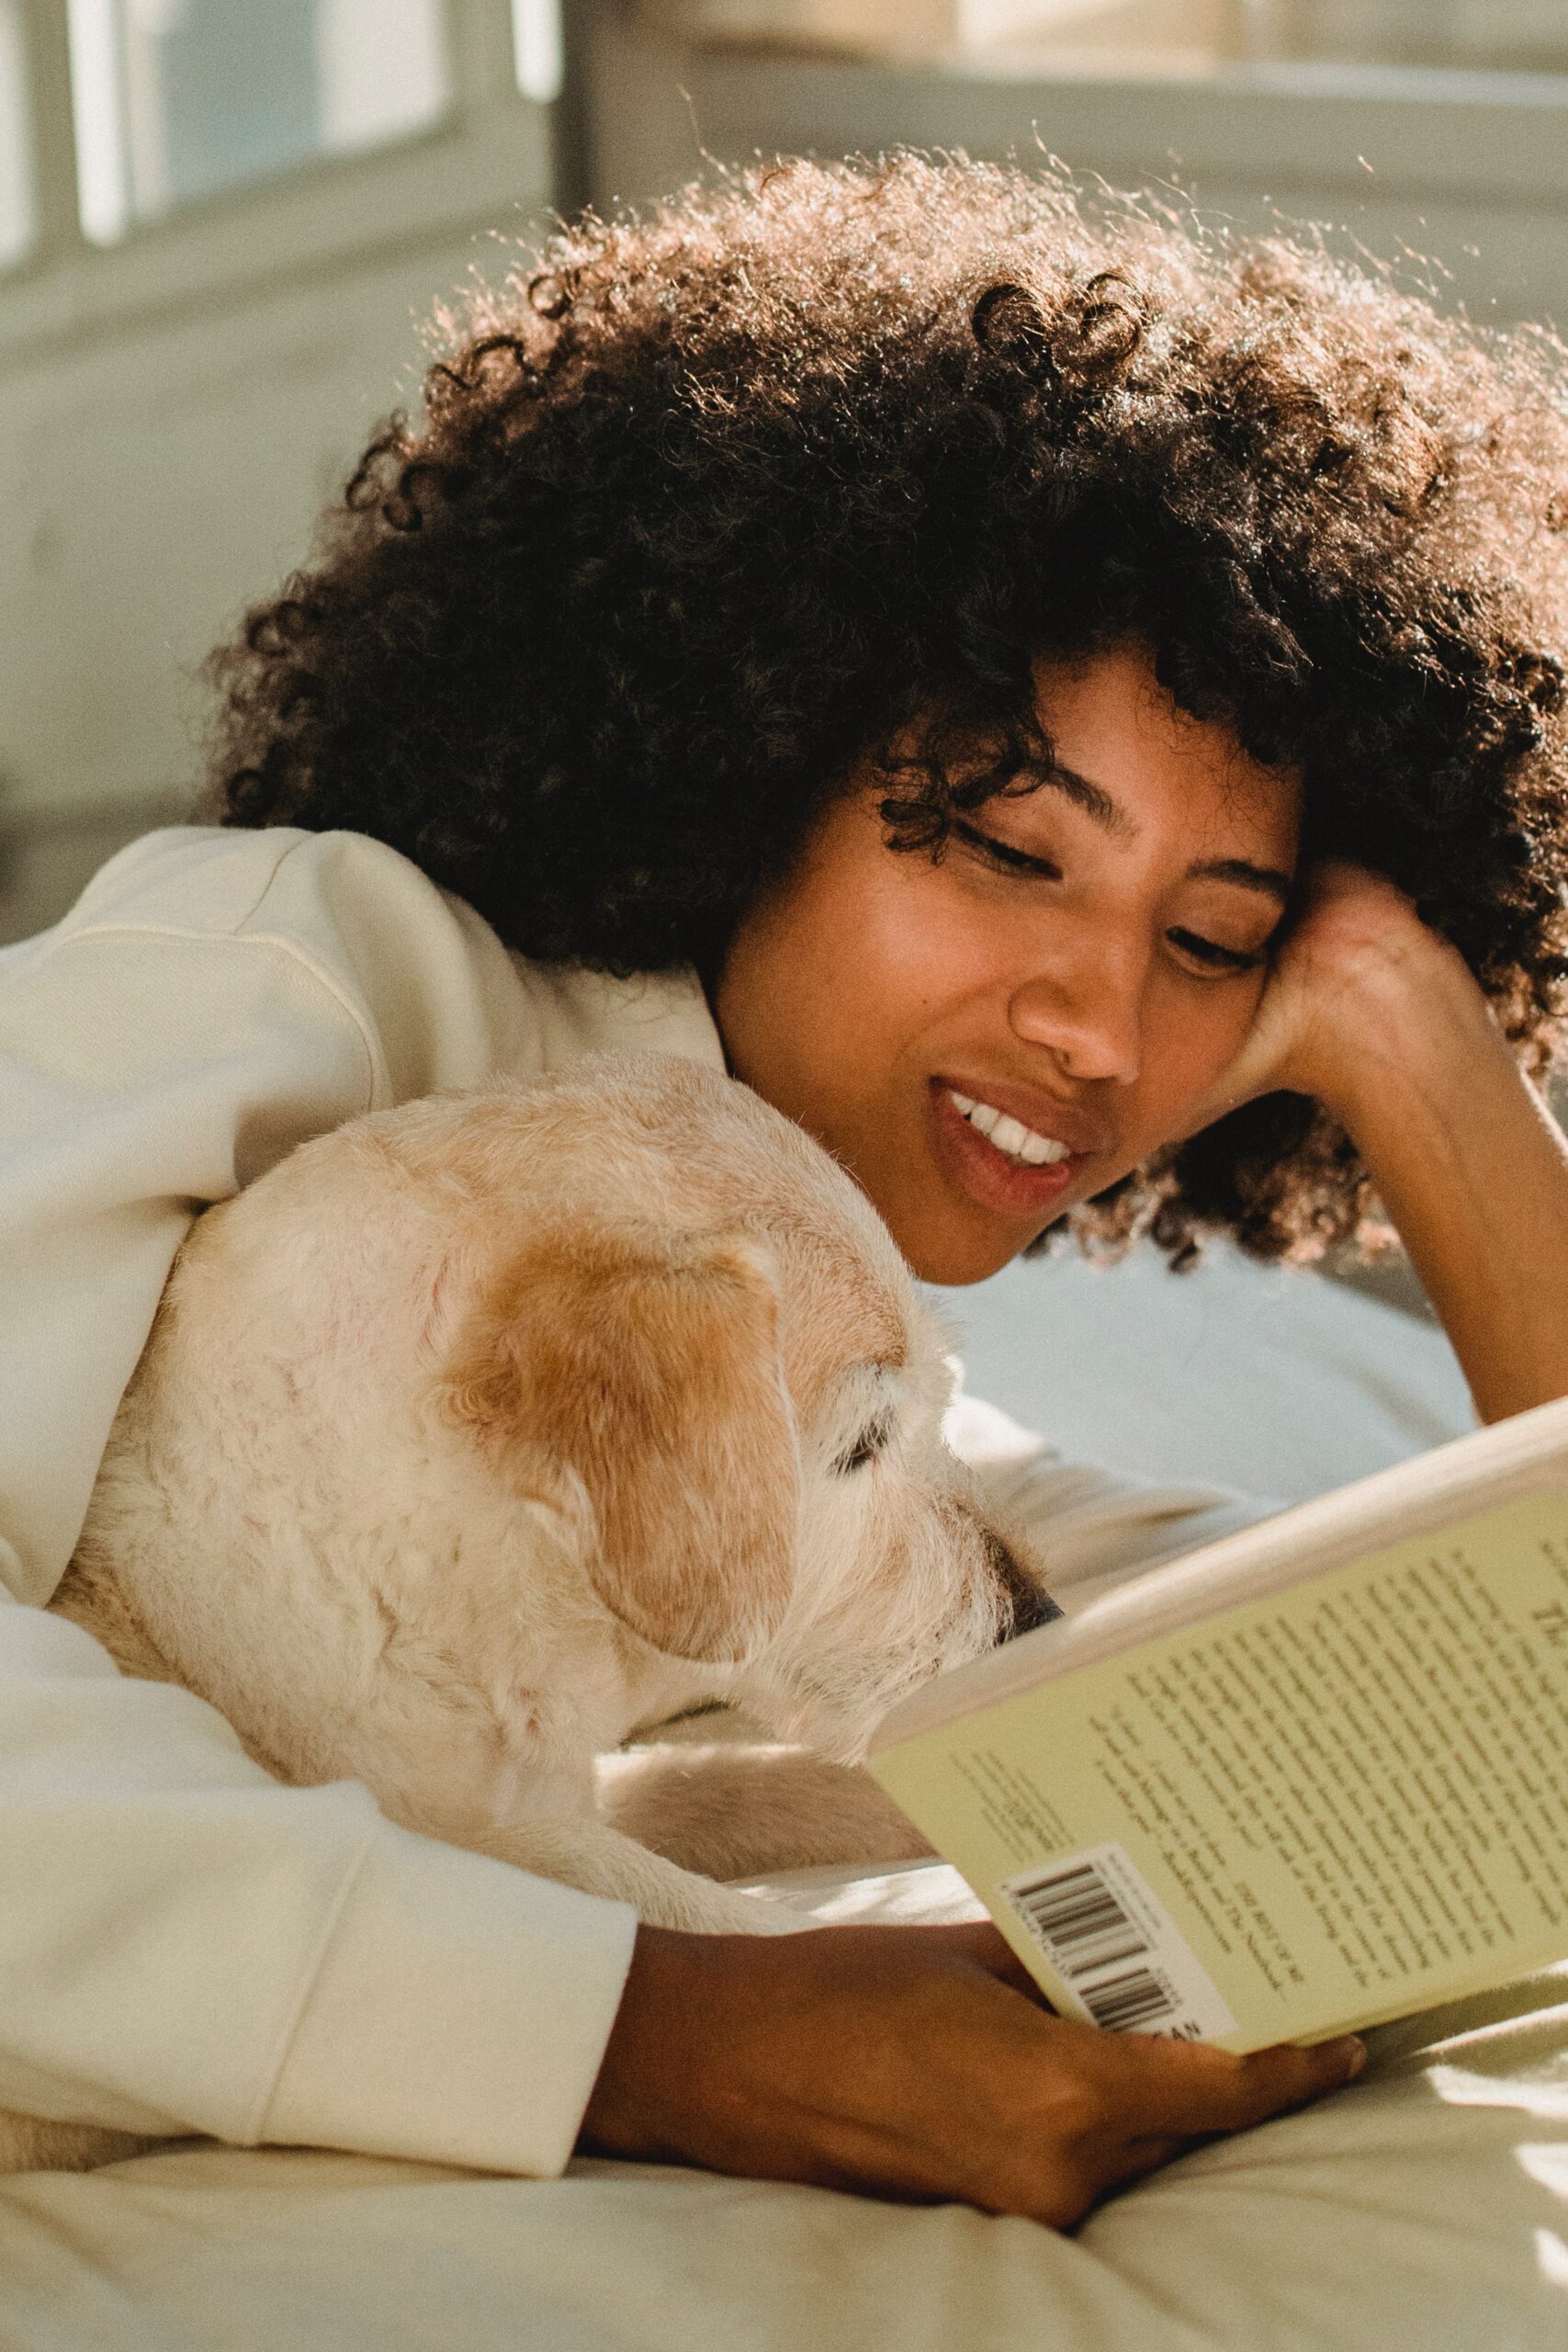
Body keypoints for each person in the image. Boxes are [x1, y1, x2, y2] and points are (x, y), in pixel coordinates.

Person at [3, 154, 1566, 2230]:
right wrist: (677, 2041)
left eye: (1208, 938)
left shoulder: (877, 1394)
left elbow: (1428, 1655)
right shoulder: (301, 971)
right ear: (750, 753)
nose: (1099, 1027)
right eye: (1009, 849)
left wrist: (1415, 1052)